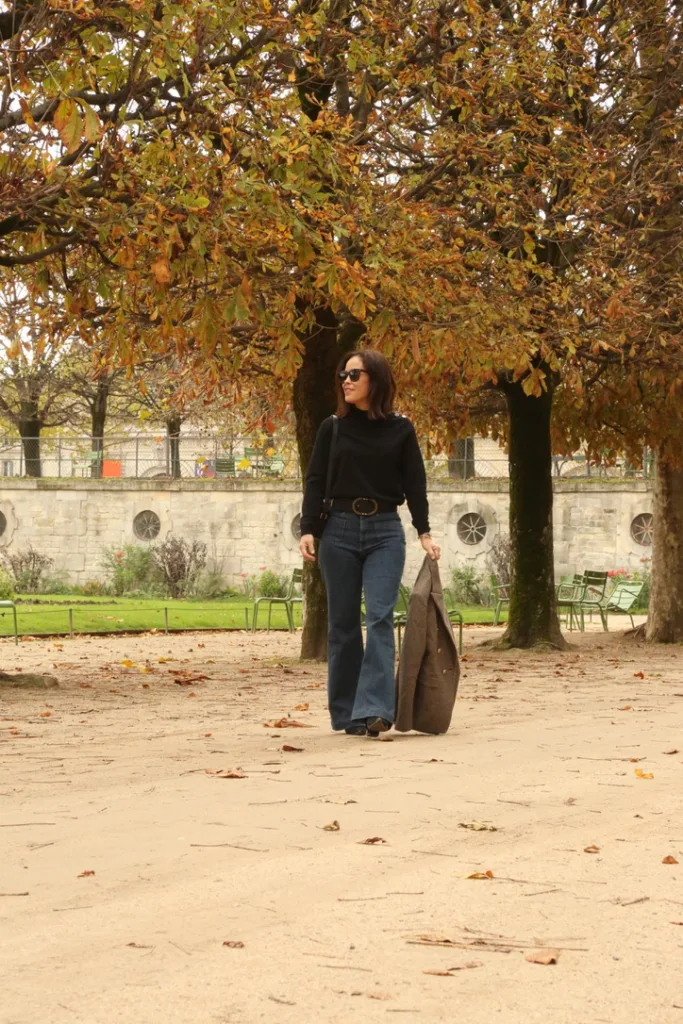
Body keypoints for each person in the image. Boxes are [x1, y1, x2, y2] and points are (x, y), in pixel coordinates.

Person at [299, 349, 440, 737]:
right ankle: (347, 713)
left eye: (354, 374)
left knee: (379, 617)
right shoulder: (332, 428)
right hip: (339, 531)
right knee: (342, 624)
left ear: (374, 380)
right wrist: (307, 528)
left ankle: (375, 709)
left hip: (385, 532)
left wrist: (424, 532)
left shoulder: (401, 429)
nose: (345, 380)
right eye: (343, 373)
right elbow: (314, 480)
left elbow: (415, 483)